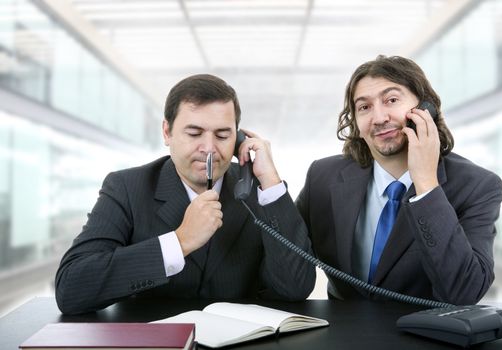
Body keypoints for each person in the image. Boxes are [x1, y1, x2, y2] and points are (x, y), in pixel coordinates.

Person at [55, 74, 315, 315]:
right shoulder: (126, 188)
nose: (209, 149)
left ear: (239, 138)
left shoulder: (260, 191)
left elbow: (295, 288)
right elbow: (72, 288)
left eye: (223, 135)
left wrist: (270, 183)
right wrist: (179, 242)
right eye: (194, 133)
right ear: (167, 132)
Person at [296, 55, 502, 305]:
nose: (380, 117)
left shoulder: (478, 187)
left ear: (425, 109)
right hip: (342, 335)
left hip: (427, 337)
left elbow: (465, 292)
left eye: (391, 100)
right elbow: (287, 257)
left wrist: (426, 185)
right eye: (364, 107)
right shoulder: (322, 176)